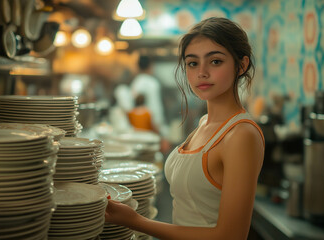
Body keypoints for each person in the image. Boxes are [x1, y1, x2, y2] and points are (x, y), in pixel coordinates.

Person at [105, 17, 265, 240]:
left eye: (215, 61)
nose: (202, 72)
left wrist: (136, 222)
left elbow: (231, 236)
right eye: (192, 63)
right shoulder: (204, 124)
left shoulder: (241, 134)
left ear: (242, 65)